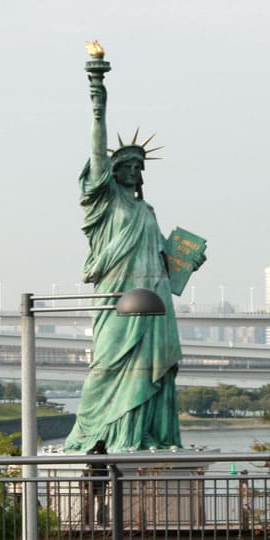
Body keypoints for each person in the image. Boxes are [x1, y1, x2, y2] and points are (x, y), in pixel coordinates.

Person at [64, 43, 205, 454]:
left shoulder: (146, 210)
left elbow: (164, 258)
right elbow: (96, 147)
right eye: (125, 165)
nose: (133, 171)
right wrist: (97, 94)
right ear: (112, 172)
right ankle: (99, 434)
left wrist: (188, 259)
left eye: (137, 167)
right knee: (107, 366)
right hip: (117, 300)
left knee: (150, 372)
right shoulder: (104, 205)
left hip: (154, 304)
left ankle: (142, 435)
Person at [85, 440, 109, 526]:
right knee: (101, 503)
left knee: (89, 502)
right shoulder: (104, 455)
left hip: (91, 482)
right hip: (101, 482)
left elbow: (88, 454)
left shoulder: (91, 454)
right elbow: (107, 462)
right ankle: (101, 522)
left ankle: (87, 522)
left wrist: (93, 448)